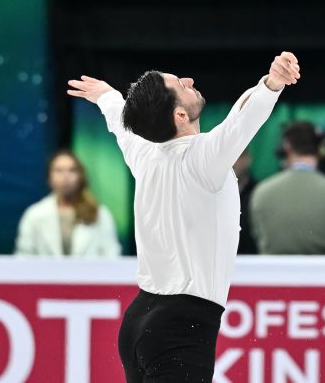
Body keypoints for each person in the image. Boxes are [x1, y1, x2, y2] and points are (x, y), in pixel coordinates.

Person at [67, 51, 300, 383]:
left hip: (138, 323)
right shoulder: (202, 158)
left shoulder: (145, 154)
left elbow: (121, 121)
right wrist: (272, 84)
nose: (190, 81)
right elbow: (242, 121)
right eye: (181, 84)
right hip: (181, 328)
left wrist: (106, 96)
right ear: (179, 114)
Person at [249, 121, 325, 255]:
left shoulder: (261, 193)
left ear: (287, 147)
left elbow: (257, 237)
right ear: (319, 149)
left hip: (272, 275)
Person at [15, 149, 122, 257]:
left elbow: (111, 254)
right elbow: (24, 256)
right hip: (45, 274)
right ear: (49, 177)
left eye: (72, 170)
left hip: (89, 273)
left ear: (80, 176)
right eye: (59, 170)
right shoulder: (34, 214)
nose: (66, 176)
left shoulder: (99, 214)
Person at [233, 150, 259, 255]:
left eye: (237, 156)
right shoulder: (211, 193)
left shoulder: (259, 192)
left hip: (251, 259)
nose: (232, 162)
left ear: (248, 159)